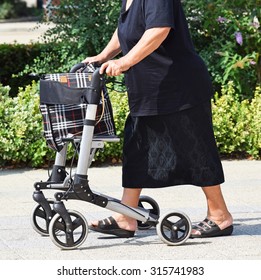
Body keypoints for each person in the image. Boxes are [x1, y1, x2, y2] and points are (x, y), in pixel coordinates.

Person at [83, 0, 233, 238]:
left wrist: (124, 61)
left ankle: (220, 216)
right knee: (137, 147)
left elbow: (159, 30)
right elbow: (126, 29)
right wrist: (104, 55)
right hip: (151, 88)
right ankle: (126, 215)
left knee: (196, 149)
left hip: (179, 86)